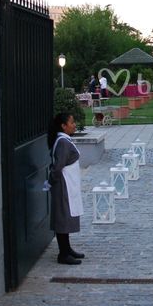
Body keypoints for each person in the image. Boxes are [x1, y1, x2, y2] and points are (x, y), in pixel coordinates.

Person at [48, 112, 85, 265]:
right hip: (64, 185)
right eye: (72, 122)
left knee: (66, 216)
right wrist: (52, 182)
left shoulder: (64, 140)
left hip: (68, 184)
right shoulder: (63, 142)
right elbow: (58, 167)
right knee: (63, 217)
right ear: (63, 126)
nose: (74, 124)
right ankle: (63, 253)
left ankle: (67, 248)